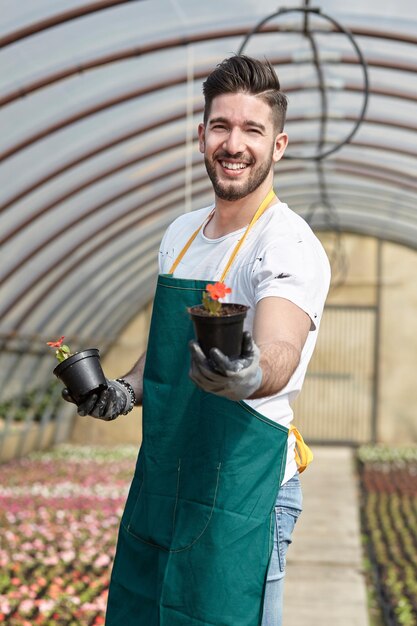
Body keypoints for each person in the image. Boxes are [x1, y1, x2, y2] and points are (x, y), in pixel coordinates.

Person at [63, 55, 331, 626]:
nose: (234, 144)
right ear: (202, 135)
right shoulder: (180, 235)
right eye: (221, 127)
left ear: (278, 145)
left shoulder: (286, 244)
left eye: (252, 131)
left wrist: (249, 374)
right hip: (164, 478)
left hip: (243, 489)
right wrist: (125, 390)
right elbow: (168, 344)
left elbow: (280, 347)